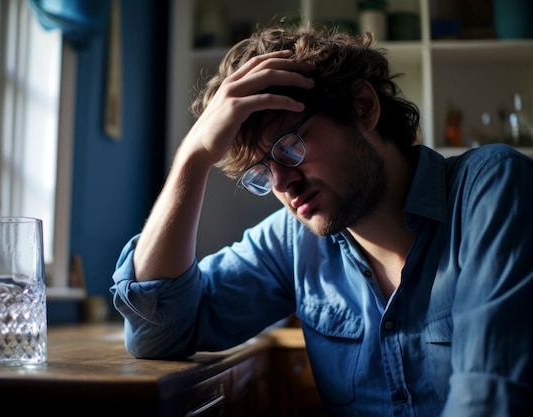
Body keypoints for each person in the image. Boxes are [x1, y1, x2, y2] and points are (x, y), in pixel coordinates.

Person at [110, 23, 533, 417]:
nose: (284, 185)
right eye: (263, 173)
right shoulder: (294, 240)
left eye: (289, 146)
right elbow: (158, 333)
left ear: (363, 106)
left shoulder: (490, 188)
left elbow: (490, 396)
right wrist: (193, 157)